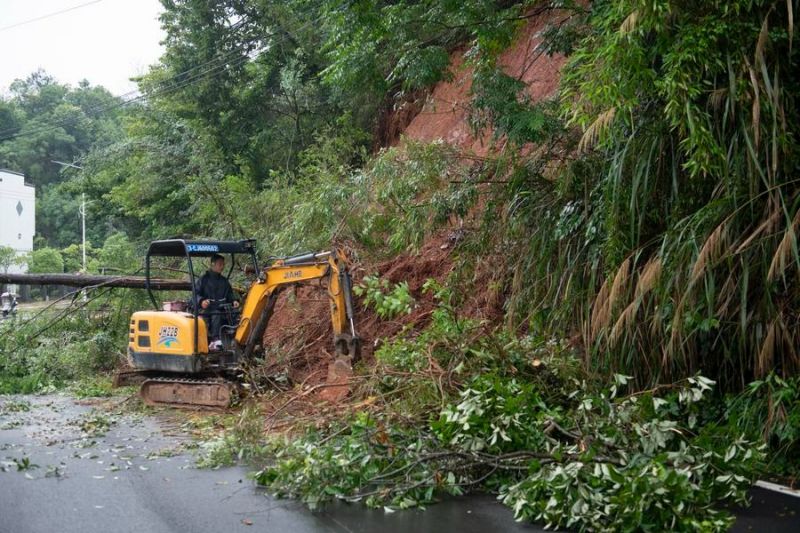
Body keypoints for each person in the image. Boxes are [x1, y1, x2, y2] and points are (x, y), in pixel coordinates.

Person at [195, 254, 239, 348]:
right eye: (220, 264)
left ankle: (236, 339)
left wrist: (234, 301)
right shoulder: (203, 280)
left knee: (236, 312)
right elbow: (195, 295)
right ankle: (215, 340)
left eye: (223, 264)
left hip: (222, 308)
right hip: (207, 310)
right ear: (213, 264)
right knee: (216, 314)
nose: (222, 267)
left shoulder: (224, 281)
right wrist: (201, 301)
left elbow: (230, 294)